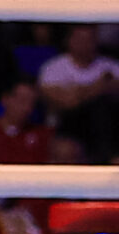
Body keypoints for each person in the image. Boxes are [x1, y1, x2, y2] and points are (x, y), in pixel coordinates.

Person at [39, 24, 119, 160]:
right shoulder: (53, 69)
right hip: (68, 129)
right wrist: (100, 86)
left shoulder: (111, 66)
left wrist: (78, 91)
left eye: (90, 39)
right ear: (69, 40)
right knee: (65, 150)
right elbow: (66, 103)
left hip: (109, 131)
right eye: (80, 39)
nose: (85, 44)